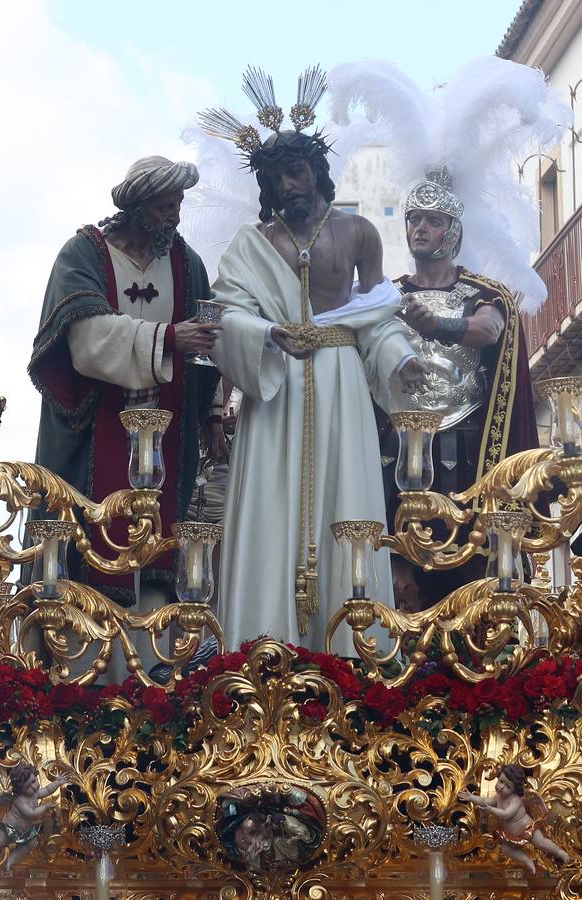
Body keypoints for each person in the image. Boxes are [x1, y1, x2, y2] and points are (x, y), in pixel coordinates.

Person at [201, 70, 428, 652]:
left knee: (345, 508)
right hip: (274, 388)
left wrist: (400, 359)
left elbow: (376, 314)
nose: (288, 185)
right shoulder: (252, 245)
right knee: (271, 515)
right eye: (276, 177)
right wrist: (270, 332)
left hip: (340, 382)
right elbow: (225, 316)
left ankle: (353, 657)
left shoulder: (358, 233)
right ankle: (263, 651)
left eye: (296, 171)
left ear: (317, 170)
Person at [28, 156, 223, 621]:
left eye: (177, 206)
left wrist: (213, 413)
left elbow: (207, 344)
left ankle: (150, 666)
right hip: (96, 431)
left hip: (166, 436)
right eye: (163, 208)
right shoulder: (83, 254)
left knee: (156, 549)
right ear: (135, 206)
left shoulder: (186, 262)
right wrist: (169, 338)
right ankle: (81, 668)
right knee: (81, 544)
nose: (173, 217)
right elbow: (86, 338)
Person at [378, 168, 538, 611]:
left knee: (473, 574)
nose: (420, 229)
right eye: (414, 219)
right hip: (396, 446)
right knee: (396, 577)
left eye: (432, 220)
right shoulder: (385, 297)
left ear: (453, 230)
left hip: (465, 447)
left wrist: (439, 325)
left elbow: (488, 330)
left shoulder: (484, 295)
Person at [459, 763, 571, 874]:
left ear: (515, 789)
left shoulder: (515, 801)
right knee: (506, 849)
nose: (501, 787)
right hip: (512, 833)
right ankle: (526, 860)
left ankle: (560, 852)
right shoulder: (498, 797)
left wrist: (491, 810)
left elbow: (506, 814)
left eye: (508, 786)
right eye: (501, 781)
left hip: (527, 828)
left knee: (540, 842)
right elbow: (484, 801)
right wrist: (471, 797)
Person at [0, 763, 70, 872]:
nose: (34, 787)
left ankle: (10, 861)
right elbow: (31, 813)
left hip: (25, 829)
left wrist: (57, 782)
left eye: (34, 781)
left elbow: (47, 790)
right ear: (20, 789)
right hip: (9, 827)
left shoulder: (33, 793)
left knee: (32, 844)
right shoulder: (21, 800)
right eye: (28, 786)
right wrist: (46, 807)